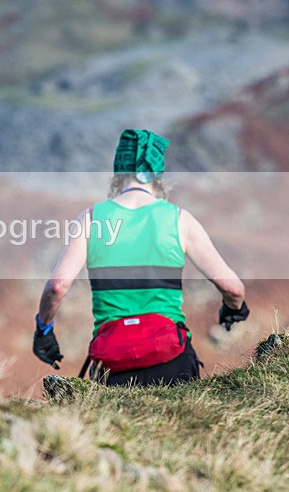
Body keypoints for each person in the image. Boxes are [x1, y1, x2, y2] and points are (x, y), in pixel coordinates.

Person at [32, 129, 249, 387]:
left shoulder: (90, 219)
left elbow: (57, 286)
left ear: (118, 171)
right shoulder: (179, 220)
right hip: (172, 359)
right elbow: (233, 288)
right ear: (158, 176)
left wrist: (43, 330)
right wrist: (233, 309)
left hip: (112, 367)